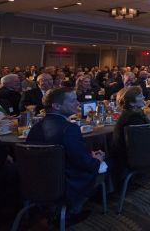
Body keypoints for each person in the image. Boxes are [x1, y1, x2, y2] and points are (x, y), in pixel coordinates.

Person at [26, 87, 107, 217]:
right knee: (104, 167)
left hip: (35, 181)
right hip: (63, 184)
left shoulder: (36, 127)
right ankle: (73, 209)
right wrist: (97, 160)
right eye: (73, 101)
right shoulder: (69, 128)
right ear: (56, 106)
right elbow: (82, 162)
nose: (78, 103)